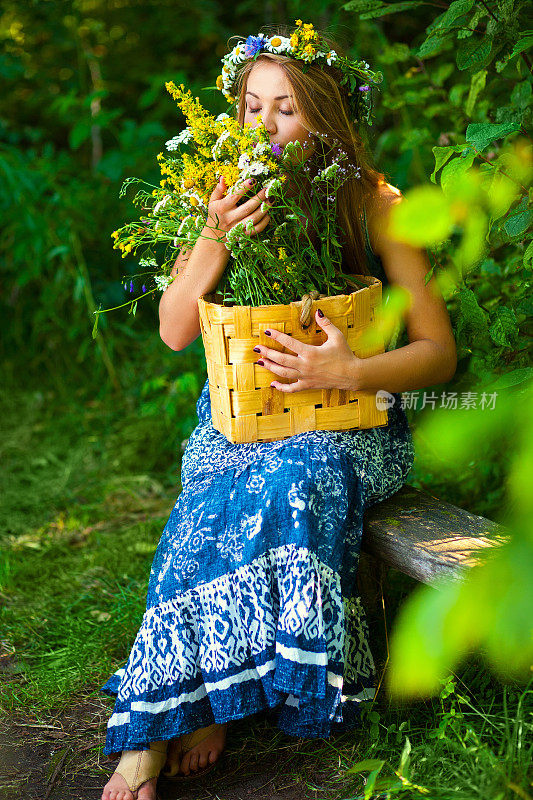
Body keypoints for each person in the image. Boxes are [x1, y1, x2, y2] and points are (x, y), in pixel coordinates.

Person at [100, 22, 457, 800]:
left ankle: (211, 693)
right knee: (215, 489)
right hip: (240, 413)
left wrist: (351, 367)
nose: (262, 126)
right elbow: (172, 332)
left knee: (299, 469)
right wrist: (213, 240)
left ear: (323, 117)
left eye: (285, 109)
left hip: (350, 419)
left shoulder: (372, 200)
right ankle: (169, 718)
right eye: (251, 107)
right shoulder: (222, 196)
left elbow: (438, 353)